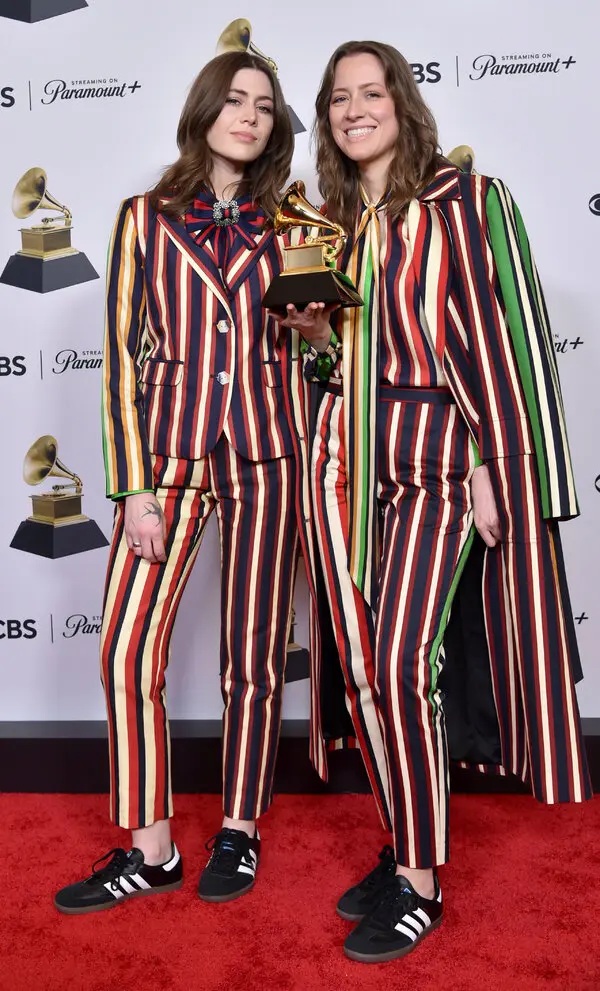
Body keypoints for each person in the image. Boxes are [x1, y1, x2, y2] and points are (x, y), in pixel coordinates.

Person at [278, 40, 591, 963]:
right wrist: (311, 338)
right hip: (342, 464)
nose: (352, 109)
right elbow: (343, 367)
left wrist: (499, 462)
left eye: (370, 93)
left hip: (439, 465)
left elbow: (500, 343)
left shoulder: (463, 202)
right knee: (368, 671)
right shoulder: (327, 223)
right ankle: (404, 840)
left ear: (402, 104)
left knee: (410, 661)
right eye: (338, 97)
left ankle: (420, 884)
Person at [54, 49, 300, 913]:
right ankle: (150, 846)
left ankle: (240, 825)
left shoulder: (297, 218)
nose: (249, 116)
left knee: (254, 654)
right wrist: (131, 487)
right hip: (169, 461)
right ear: (203, 109)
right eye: (234, 100)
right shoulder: (143, 217)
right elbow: (122, 357)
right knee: (126, 648)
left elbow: (323, 346)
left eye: (265, 106)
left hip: (269, 455)